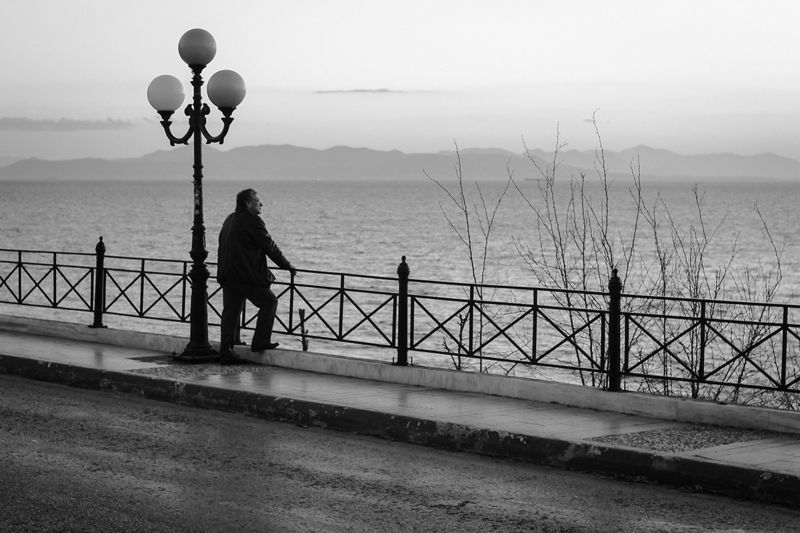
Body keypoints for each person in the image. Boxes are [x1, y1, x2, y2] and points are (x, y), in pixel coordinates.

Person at [217, 188, 295, 364]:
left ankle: (227, 351)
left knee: (231, 312)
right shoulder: (253, 220)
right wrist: (286, 265)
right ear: (248, 203)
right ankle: (260, 341)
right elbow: (269, 246)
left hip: (227, 274)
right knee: (269, 302)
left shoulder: (230, 219)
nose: (261, 204)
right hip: (244, 275)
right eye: (258, 200)